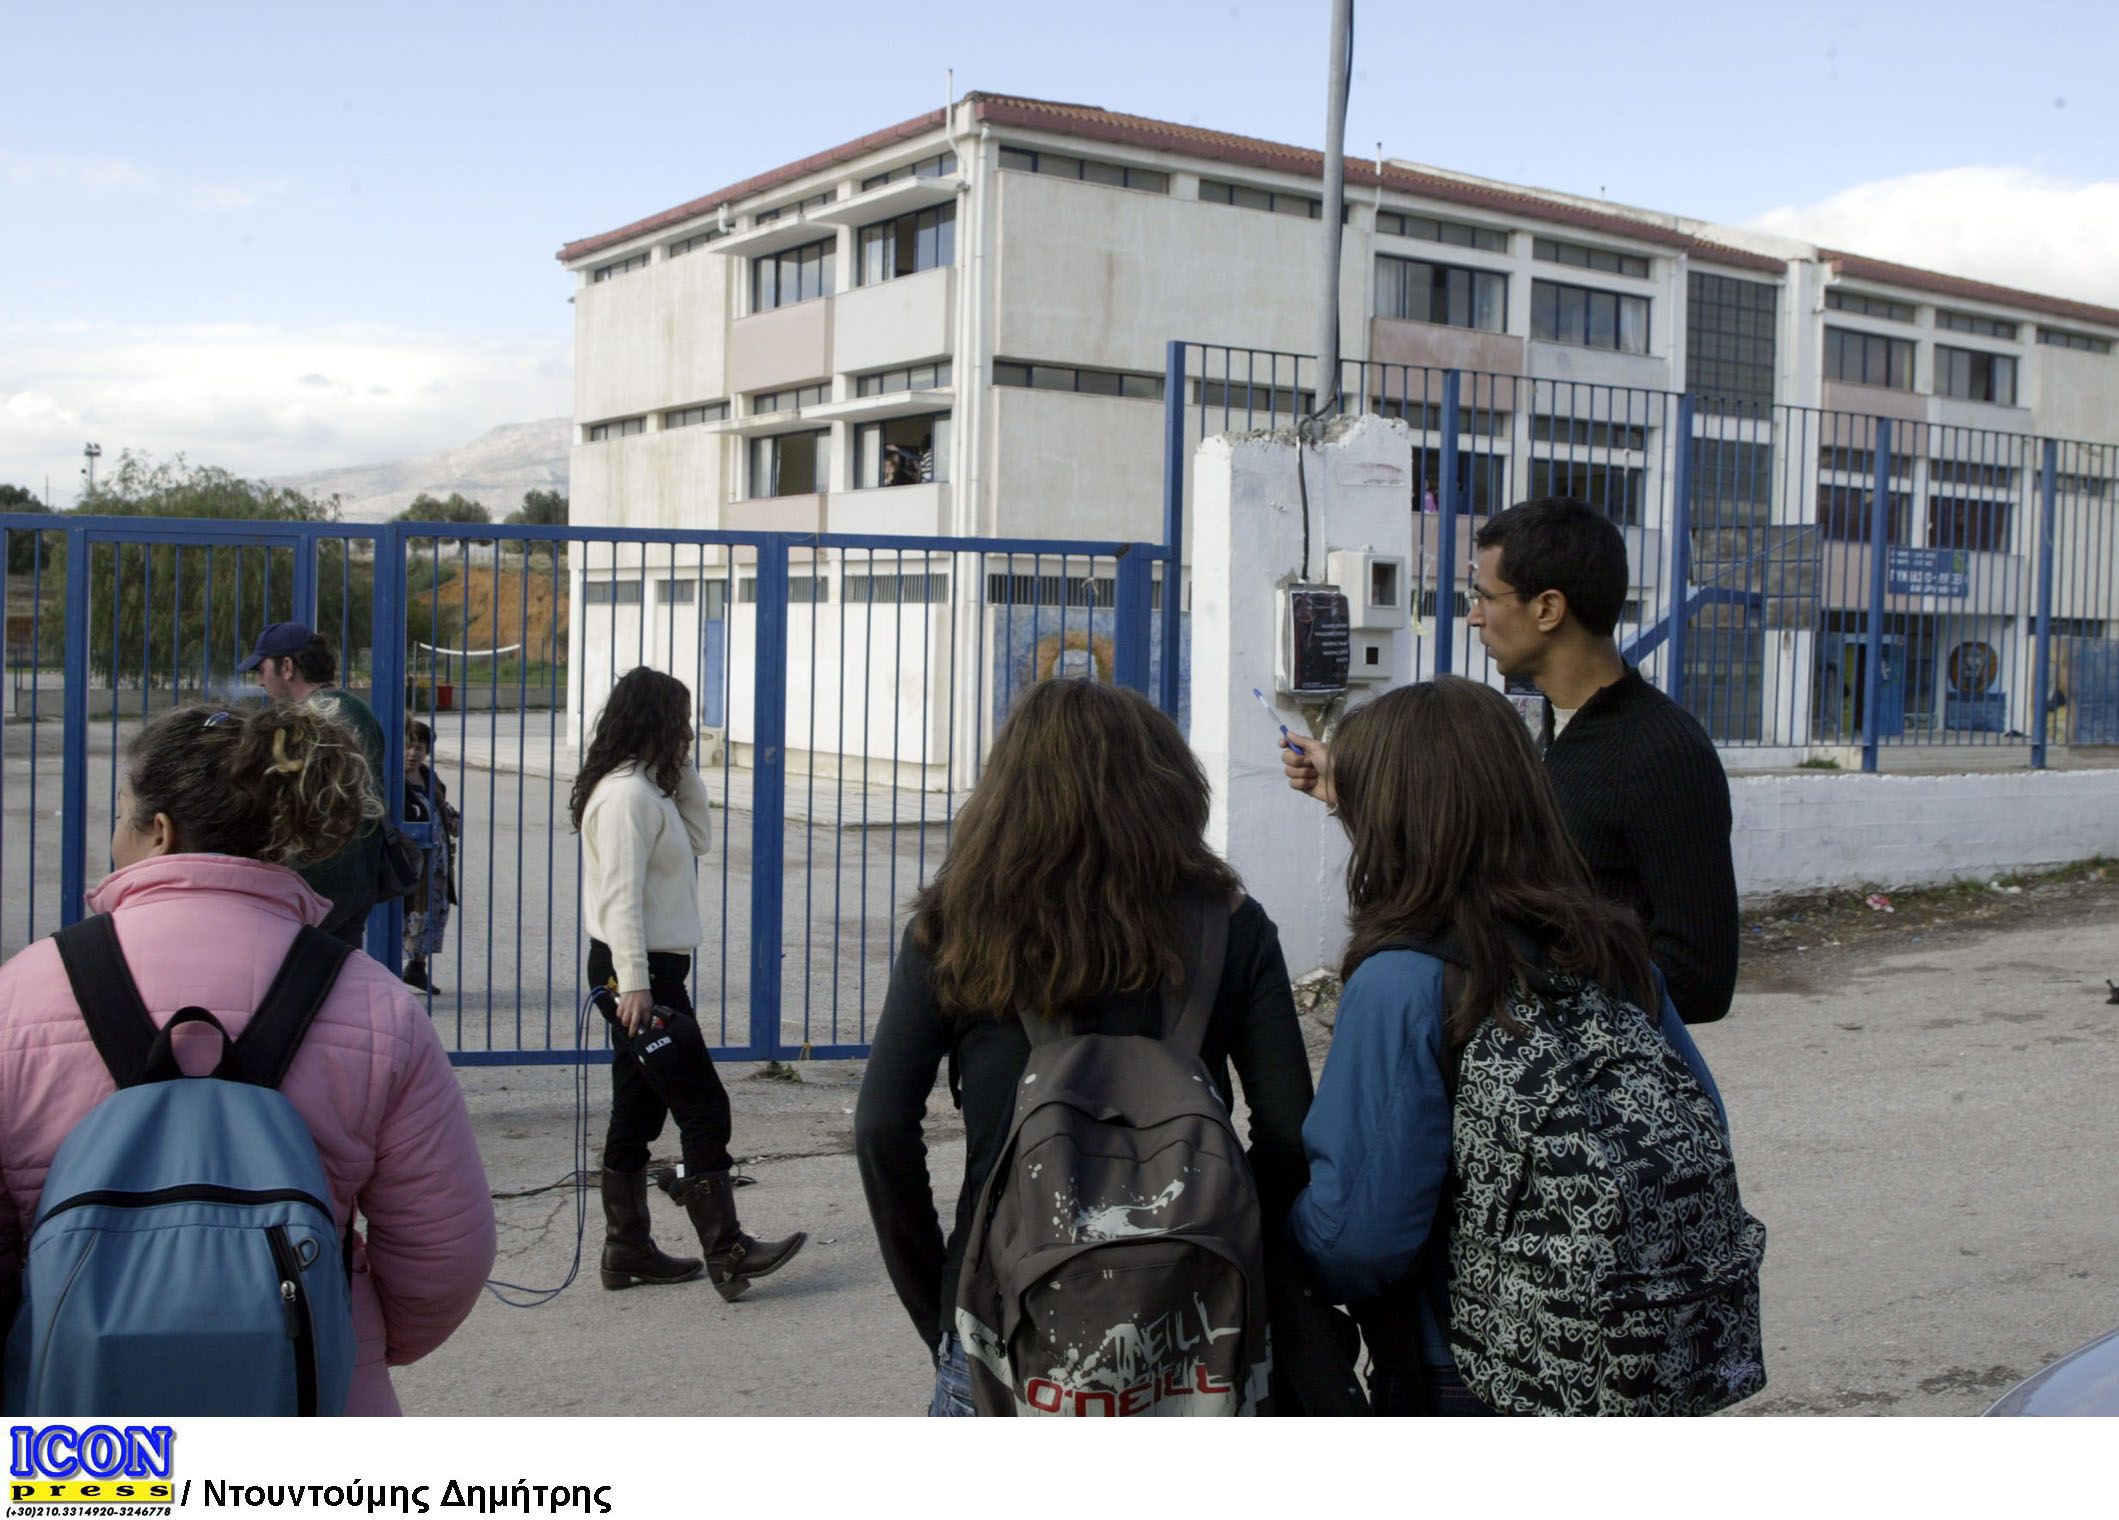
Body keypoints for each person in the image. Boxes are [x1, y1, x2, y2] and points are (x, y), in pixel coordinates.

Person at [0, 702, 495, 1415]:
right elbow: (447, 1254)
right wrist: (346, 1337)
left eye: (121, 815)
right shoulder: (373, 1003)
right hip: (304, 1398)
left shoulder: (27, 987)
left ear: (159, 833)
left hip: (77, 1407)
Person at [853, 678, 1322, 1416]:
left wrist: (944, 1304)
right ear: (1168, 784)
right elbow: (1291, 1132)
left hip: (1001, 1325)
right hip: (1202, 1331)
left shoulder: (955, 925)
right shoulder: (1231, 925)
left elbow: (881, 1128)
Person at [1284, 676, 1727, 1415]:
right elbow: (1698, 1123)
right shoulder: (1616, 954)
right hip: (1633, 1357)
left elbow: (1357, 1239)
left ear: (1385, 816)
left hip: (1468, 1370)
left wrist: (1278, 1235)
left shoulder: (1403, 983)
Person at [1282, 497, 1739, 1025]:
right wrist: (1361, 788)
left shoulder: (1665, 754)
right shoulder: (1533, 729)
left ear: (1547, 608)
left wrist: (1531, 984)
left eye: (1485, 597)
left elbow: (1701, 978)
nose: (1474, 615)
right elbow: (1476, 868)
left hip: (1579, 1087)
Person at [571, 666, 806, 1300]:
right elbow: (620, 900)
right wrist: (636, 988)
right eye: (680, 720)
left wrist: (680, 769)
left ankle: (627, 1251)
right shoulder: (624, 797)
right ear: (655, 722)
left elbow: (699, 836)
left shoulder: (650, 789)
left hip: (652, 969)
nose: (688, 730)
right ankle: (727, 1251)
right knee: (703, 1106)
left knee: (637, 1110)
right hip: (635, 972)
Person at [241, 621, 390, 948]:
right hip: (360, 874)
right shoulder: (358, 709)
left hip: (316, 877)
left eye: (263, 668)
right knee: (339, 975)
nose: (260, 679)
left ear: (287, 667)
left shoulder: (305, 721)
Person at [401, 719, 458, 995]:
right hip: (408, 861)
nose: (413, 753)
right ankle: (386, 969)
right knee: (405, 914)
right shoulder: (391, 777)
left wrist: (452, 819)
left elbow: (442, 807)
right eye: (408, 746)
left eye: (419, 747)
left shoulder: (429, 776)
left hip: (435, 862)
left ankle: (416, 968)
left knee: (432, 914)